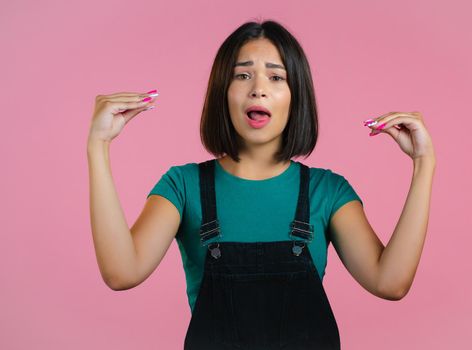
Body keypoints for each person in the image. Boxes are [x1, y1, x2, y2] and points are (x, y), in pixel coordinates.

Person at [87, 20, 436, 350]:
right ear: (223, 92)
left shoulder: (327, 192)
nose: (258, 89)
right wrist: (98, 147)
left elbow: (390, 283)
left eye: (276, 77)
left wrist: (424, 164)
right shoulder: (182, 186)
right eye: (242, 75)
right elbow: (122, 272)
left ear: (296, 96)